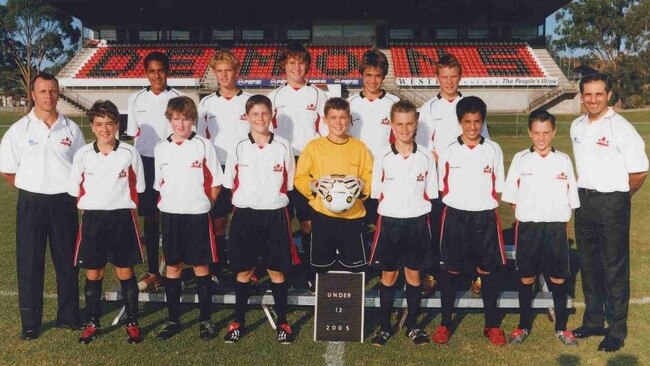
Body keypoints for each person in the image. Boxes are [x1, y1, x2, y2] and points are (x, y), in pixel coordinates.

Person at [0, 72, 84, 340]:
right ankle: (31, 323)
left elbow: (81, 169)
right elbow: (9, 172)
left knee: (67, 262)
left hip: (64, 202)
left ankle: (69, 316)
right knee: (30, 263)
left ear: (58, 93)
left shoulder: (71, 129)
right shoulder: (18, 130)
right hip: (31, 202)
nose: (48, 96)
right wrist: (36, 186)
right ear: (33, 94)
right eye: (43, 91)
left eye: (52, 91)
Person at [570, 73, 648, 352]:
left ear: (609, 95)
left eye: (598, 94)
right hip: (584, 202)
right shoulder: (576, 126)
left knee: (613, 267)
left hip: (612, 203)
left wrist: (618, 197)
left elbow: (639, 171)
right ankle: (592, 322)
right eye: (588, 94)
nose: (593, 99)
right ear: (582, 96)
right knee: (589, 265)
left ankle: (616, 330)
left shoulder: (622, 127)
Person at [221, 95, 299, 344]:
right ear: (247, 117)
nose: (260, 119)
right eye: (255, 114)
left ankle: (283, 321)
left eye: (264, 114)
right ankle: (238, 320)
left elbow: (287, 184)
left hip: (275, 215)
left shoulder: (284, 146)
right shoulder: (238, 146)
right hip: (245, 216)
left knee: (277, 271)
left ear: (271, 115)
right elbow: (230, 183)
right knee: (244, 271)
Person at [68, 100, 145, 344]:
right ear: (92, 126)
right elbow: (75, 190)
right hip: (93, 219)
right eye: (99, 124)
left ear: (117, 125)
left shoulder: (130, 153)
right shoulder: (82, 155)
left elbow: (138, 187)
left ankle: (132, 322)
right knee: (94, 272)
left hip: (122, 218)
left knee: (125, 271)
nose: (104, 129)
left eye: (109, 124)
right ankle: (92, 322)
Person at [502, 109, 580, 346]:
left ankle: (561, 328)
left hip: (556, 227)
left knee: (557, 277)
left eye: (546, 132)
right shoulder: (520, 158)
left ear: (554, 132)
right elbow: (513, 196)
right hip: (529, 228)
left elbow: (571, 198)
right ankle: (523, 325)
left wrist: (559, 219)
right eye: (537, 132)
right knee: (526, 277)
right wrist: (529, 213)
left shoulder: (564, 160)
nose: (541, 137)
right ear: (530, 132)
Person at [433, 96, 507, 346]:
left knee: (488, 271)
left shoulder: (493, 149)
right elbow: (442, 187)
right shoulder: (449, 151)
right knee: (450, 270)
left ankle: (492, 325)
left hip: (485, 217)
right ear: (459, 122)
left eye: (477, 121)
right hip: (455, 217)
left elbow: (498, 186)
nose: (472, 127)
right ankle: (445, 323)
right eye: (467, 122)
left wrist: (480, 203)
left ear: (482, 122)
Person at [417, 54, 490, 295]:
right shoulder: (428, 108)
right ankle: (431, 274)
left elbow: (484, 143)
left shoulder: (470, 105)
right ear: (437, 78)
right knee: (437, 230)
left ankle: (474, 276)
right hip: (438, 182)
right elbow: (422, 146)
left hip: (467, 182)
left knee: (469, 232)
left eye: (453, 76)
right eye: (444, 77)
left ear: (460, 77)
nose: (449, 82)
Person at [153, 96, 224, 341]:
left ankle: (205, 320)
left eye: (185, 119)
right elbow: (159, 184)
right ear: (169, 120)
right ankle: (173, 319)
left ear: (193, 120)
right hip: (171, 215)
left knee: (201, 266)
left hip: (197, 216)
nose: (180, 124)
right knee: (173, 266)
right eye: (175, 119)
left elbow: (216, 183)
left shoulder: (204, 145)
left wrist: (205, 205)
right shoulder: (161, 148)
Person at [368, 100, 437, 346]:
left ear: (416, 124)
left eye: (409, 124)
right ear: (392, 125)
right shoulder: (383, 157)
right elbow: (377, 193)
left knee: (414, 276)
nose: (405, 129)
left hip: (417, 223)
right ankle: (385, 326)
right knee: (388, 275)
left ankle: (413, 326)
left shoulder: (427, 156)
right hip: (390, 223)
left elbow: (431, 193)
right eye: (400, 124)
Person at [268, 43, 327, 289]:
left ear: (308, 66)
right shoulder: (274, 97)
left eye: (301, 62)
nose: (296, 68)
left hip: (308, 163)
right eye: (291, 63)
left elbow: (324, 133)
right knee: (282, 218)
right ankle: (284, 269)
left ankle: (311, 270)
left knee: (307, 220)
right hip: (281, 162)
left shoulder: (318, 95)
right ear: (284, 66)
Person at [126, 51, 183, 292]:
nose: (156, 75)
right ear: (146, 72)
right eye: (152, 71)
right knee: (150, 219)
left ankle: (173, 267)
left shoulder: (179, 97)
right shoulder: (136, 99)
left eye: (161, 70)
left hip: (172, 162)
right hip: (146, 163)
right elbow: (133, 135)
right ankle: (152, 270)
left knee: (172, 216)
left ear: (167, 71)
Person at [294, 97, 372, 272]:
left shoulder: (360, 148)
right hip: (322, 215)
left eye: (343, 117)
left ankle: (350, 297)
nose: (338, 122)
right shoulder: (314, 147)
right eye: (333, 117)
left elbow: (370, 175)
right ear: (325, 120)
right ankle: (320, 292)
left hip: (352, 216)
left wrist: (362, 184)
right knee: (322, 265)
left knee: (354, 267)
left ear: (350, 119)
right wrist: (312, 186)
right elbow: (300, 177)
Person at [197, 49, 252, 287]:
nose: (224, 75)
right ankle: (217, 268)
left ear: (236, 71)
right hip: (217, 169)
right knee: (218, 222)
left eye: (228, 70)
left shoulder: (249, 100)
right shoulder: (206, 103)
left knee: (246, 220)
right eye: (219, 71)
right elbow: (199, 139)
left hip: (245, 169)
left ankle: (249, 267)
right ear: (213, 73)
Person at [348, 48, 399, 241]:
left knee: (384, 223)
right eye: (368, 75)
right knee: (355, 224)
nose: (373, 80)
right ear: (361, 74)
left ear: (384, 76)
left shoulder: (394, 103)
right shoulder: (350, 104)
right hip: (356, 174)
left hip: (385, 175)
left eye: (378, 76)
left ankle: (384, 262)